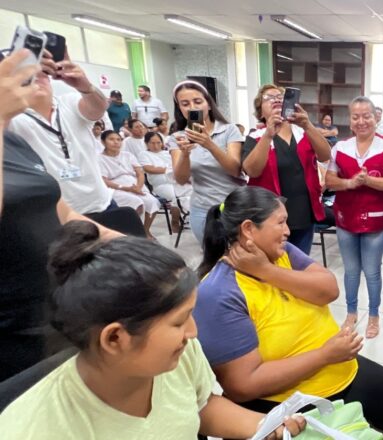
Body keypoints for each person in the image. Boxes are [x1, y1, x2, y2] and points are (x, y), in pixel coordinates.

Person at [0, 221, 307, 438]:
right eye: (179, 321)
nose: (193, 332)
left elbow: (200, 405)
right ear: (115, 337)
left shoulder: (179, 356)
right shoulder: (34, 429)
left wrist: (269, 424)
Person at [193, 186, 383, 433]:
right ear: (248, 229)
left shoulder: (279, 253)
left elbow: (329, 289)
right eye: (281, 223)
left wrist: (266, 271)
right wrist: (325, 355)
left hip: (336, 364)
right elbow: (242, 386)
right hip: (289, 396)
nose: (288, 231)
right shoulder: (219, 292)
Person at [0, 49, 122, 381]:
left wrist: (125, 244)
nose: (36, 76)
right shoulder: (14, 125)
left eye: (41, 72)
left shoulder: (14, 140)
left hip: (49, 303)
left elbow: (59, 207)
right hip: (11, 322)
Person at [4, 46, 146, 236]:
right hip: (55, 216)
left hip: (101, 203)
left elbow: (97, 109)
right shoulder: (11, 118)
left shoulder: (69, 102)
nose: (38, 77)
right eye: (29, 73)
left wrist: (84, 86)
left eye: (44, 72)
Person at [325, 97, 383, 339]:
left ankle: (374, 314)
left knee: (372, 271)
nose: (361, 121)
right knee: (351, 270)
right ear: (350, 120)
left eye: (366, 115)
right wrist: (350, 182)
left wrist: (367, 181)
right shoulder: (340, 148)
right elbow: (330, 181)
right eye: (356, 117)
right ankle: (351, 312)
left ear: (375, 117)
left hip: (376, 220)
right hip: (346, 218)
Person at [242, 84, 332, 255]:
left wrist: (307, 125)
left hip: (303, 214)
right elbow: (252, 171)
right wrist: (268, 134)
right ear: (260, 112)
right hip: (270, 217)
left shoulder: (303, 133)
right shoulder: (255, 137)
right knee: (274, 266)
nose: (276, 99)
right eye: (268, 98)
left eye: (280, 97)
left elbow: (325, 155)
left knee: (298, 264)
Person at [167, 80, 245, 242]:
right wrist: (185, 154)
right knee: (212, 259)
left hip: (235, 206)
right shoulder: (177, 138)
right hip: (202, 208)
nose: (192, 107)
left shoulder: (229, 130)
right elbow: (181, 179)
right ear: (180, 109)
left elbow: (235, 169)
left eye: (197, 101)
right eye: (185, 104)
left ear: (208, 104)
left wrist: (209, 144)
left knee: (241, 256)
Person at [99, 130, 159, 238]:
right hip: (116, 188)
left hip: (135, 185)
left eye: (118, 139)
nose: (116, 142)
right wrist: (126, 188)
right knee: (137, 203)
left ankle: (145, 231)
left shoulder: (128, 155)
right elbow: (104, 181)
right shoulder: (99, 158)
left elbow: (140, 173)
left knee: (152, 202)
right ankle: (132, 233)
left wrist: (138, 187)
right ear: (103, 142)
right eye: (111, 139)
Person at [141, 131, 191, 231]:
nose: (156, 146)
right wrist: (168, 170)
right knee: (176, 196)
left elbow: (178, 166)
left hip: (176, 181)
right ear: (146, 143)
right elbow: (148, 169)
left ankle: (188, 218)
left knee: (190, 192)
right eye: (152, 143)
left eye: (158, 142)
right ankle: (175, 222)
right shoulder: (144, 154)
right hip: (161, 185)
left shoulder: (168, 153)